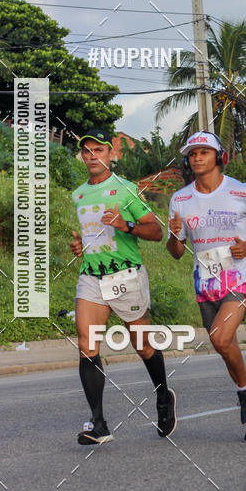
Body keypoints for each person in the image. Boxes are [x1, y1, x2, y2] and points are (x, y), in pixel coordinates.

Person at [167, 132, 246, 443]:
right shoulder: (180, 199)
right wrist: (175, 235)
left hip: (241, 274)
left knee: (220, 336)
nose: (197, 158)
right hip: (205, 278)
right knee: (223, 346)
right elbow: (176, 252)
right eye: (192, 154)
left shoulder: (242, 192)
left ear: (219, 156)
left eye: (204, 152)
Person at [69, 129, 175, 445]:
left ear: (110, 154)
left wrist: (124, 225)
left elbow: (156, 232)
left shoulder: (126, 190)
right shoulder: (78, 194)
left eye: (97, 150)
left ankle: (163, 396)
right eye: (86, 151)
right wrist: (82, 247)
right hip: (92, 276)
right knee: (87, 344)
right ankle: (98, 424)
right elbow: (93, 235)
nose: (92, 156)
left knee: (142, 345)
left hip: (126, 277)